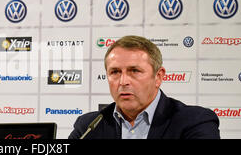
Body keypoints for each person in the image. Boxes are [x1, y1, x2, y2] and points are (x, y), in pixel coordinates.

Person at [69, 35, 220, 139]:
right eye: (115, 72)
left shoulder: (195, 122)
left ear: (158, 77)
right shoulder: (88, 126)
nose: (123, 81)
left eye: (134, 71)